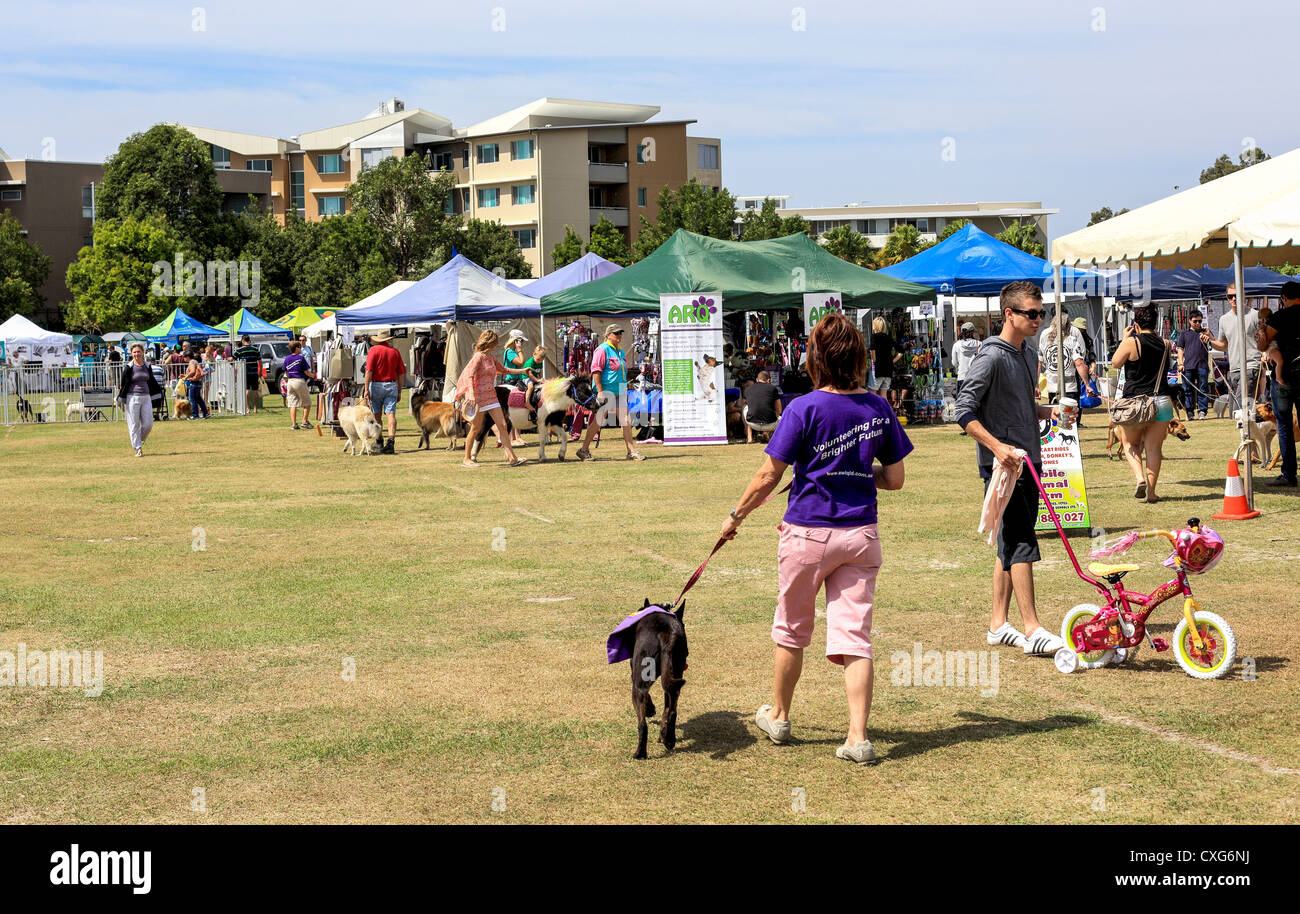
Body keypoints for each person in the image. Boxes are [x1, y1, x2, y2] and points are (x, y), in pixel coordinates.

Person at [720, 312, 911, 765]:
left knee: (791, 629)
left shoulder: (804, 408)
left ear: (814, 358)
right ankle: (858, 737)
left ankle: (780, 715)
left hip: (807, 532)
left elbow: (770, 474)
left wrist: (736, 515)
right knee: (855, 638)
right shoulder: (879, 407)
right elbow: (896, 478)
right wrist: (859, 473)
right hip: (860, 534)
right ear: (859, 357)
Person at [954, 281, 1067, 657]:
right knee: (1021, 540)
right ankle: (1032, 627)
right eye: (1031, 313)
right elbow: (963, 410)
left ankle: (998, 624)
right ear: (1009, 314)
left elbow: (1021, 405)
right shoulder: (991, 356)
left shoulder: (1026, 353)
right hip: (1004, 466)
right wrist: (997, 447)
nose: (1039, 319)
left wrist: (1048, 411)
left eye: (1042, 313)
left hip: (1027, 462)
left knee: (1010, 543)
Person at [1111, 304, 1176, 503]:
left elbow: (1115, 362)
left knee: (1130, 443)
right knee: (1154, 449)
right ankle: (1151, 492)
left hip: (1135, 403)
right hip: (1162, 400)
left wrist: (1125, 339)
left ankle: (1140, 478)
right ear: (1155, 323)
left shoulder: (1132, 342)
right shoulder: (1166, 343)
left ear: (1136, 324)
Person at [455, 329, 525, 468]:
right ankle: (467, 458)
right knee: (475, 428)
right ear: (490, 342)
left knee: (503, 426)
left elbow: (505, 370)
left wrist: (523, 370)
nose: (497, 345)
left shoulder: (491, 358)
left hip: (491, 397)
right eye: (495, 342)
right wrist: (472, 395)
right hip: (478, 398)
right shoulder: (478, 357)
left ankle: (512, 458)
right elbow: (469, 375)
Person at [578, 324, 645, 461]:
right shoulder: (602, 350)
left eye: (620, 333)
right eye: (616, 333)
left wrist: (625, 386)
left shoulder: (620, 351)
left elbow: (622, 372)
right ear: (608, 335)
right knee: (598, 421)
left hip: (620, 389)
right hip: (606, 390)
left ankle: (631, 451)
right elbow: (596, 371)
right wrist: (600, 391)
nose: (619, 335)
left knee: (626, 421)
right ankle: (583, 449)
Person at [1259, 280, 1300, 486]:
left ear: (1283, 298)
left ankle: (1289, 474)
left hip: (1284, 375)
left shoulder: (1279, 317)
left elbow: (1263, 343)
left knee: (1284, 425)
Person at [1205, 283, 1262, 405]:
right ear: (1227, 298)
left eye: (1237, 295)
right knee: (1239, 412)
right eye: (1230, 296)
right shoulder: (1224, 319)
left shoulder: (1255, 315)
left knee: (1242, 406)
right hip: (1234, 368)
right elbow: (1223, 345)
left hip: (1251, 366)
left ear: (1244, 295)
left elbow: (1266, 337)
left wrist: (1266, 353)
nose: (1234, 299)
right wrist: (1210, 341)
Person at [115, 342, 164, 457]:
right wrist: (121, 398)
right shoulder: (129, 367)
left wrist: (157, 393)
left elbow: (151, 380)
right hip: (132, 397)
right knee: (134, 424)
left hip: (146, 397)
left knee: (148, 424)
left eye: (139, 351)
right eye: (134, 352)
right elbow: (124, 383)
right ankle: (138, 448)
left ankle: (137, 439)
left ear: (143, 352)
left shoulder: (147, 366)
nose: (137, 354)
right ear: (131, 353)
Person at [363, 330, 406, 453]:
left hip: (376, 384)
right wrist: (399, 390)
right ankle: (391, 442)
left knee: (377, 415)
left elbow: (369, 371)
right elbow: (401, 373)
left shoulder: (373, 351)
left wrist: (366, 389)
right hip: (391, 384)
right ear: (388, 339)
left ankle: (379, 441)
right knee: (391, 415)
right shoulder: (395, 352)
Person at [1037, 312, 1089, 404]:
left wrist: (1036, 385)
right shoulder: (1072, 340)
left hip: (1052, 387)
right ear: (1069, 326)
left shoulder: (1044, 338)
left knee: (1056, 415)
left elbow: (1039, 363)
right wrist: (1087, 384)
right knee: (1070, 416)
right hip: (1070, 388)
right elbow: (1079, 363)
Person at [1175, 310, 1211, 419]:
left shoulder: (1205, 332)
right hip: (1188, 366)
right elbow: (1180, 349)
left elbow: (1213, 343)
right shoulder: (1184, 334)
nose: (1197, 324)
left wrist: (1208, 337)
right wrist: (1180, 363)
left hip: (1202, 365)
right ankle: (1189, 412)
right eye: (1195, 321)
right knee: (1187, 390)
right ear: (1190, 321)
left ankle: (1202, 411)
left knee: (1203, 389)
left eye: (1200, 321)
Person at [282, 341, 316, 430]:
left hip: (290, 381)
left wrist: (289, 376)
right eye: (299, 347)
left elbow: (285, 370)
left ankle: (294, 424)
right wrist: (313, 376)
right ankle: (304, 422)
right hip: (299, 381)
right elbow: (306, 371)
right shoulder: (300, 358)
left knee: (293, 404)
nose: (301, 349)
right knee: (307, 402)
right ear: (296, 348)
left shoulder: (287, 358)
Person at [743, 369, 783, 443]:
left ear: (757, 380)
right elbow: (779, 410)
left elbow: (747, 404)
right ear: (768, 380)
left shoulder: (748, 389)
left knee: (746, 407)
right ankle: (767, 433)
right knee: (778, 415)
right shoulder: (773, 389)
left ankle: (749, 437)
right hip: (771, 425)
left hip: (751, 423)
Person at [869, 317, 900, 408]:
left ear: (875, 326)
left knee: (873, 393)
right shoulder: (889, 338)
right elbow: (901, 351)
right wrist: (892, 361)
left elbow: (872, 350)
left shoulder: (874, 336)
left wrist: (875, 361)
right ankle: (886, 414)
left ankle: (873, 414)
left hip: (877, 369)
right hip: (888, 370)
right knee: (884, 395)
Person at [233, 334, 261, 413]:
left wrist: (228, 358)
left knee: (247, 389)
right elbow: (260, 361)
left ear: (242, 340)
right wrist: (261, 371)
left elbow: (233, 358)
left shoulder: (240, 350)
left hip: (245, 372)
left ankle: (248, 408)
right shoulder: (255, 349)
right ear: (249, 340)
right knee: (255, 390)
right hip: (255, 372)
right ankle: (255, 408)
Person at [952, 322, 981, 396]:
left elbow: (954, 363)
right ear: (972, 332)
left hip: (962, 377)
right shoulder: (979, 344)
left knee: (962, 404)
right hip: (975, 378)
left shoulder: (956, 345)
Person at [182, 356, 210, 420]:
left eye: (184, 357)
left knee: (192, 400)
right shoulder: (196, 362)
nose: (184, 359)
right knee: (199, 399)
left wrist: (185, 378)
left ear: (187, 357)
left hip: (193, 383)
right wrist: (184, 375)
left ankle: (195, 415)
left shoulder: (191, 362)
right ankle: (205, 413)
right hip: (198, 383)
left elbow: (192, 372)